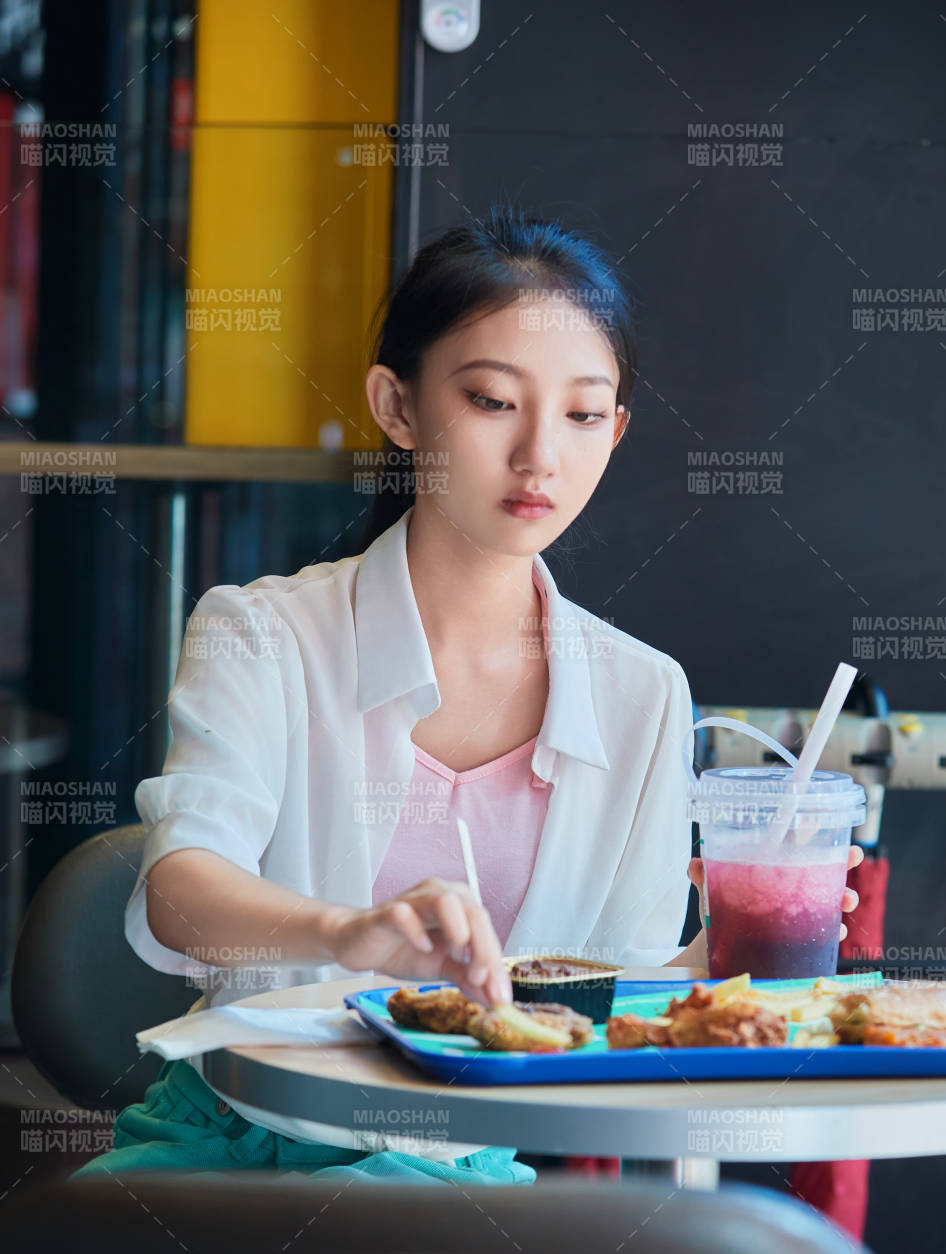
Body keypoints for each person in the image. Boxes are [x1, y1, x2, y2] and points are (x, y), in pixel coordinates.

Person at [73, 204, 860, 1183]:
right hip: (231, 1135)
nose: (540, 455)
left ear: (614, 433)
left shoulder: (643, 695)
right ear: (396, 407)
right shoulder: (262, 634)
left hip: (452, 1176)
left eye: (580, 414)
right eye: (492, 401)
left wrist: (710, 971)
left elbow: (596, 1008)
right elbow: (179, 890)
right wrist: (346, 934)